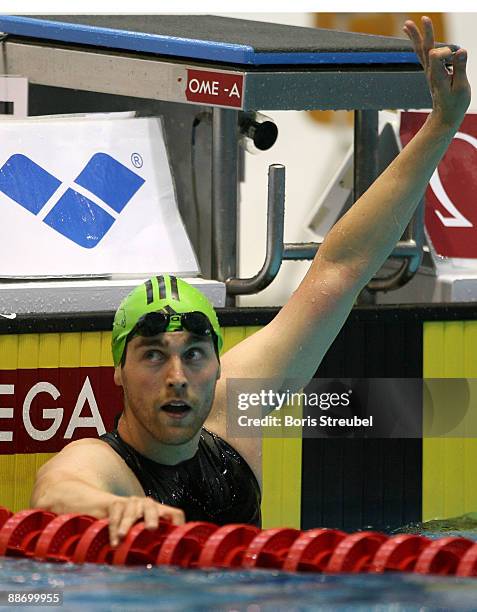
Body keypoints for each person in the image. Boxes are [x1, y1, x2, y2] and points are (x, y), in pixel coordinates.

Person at [30, 17, 471, 547]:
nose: (177, 376)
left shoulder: (230, 413)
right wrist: (114, 508)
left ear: (219, 364)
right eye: (152, 355)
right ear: (118, 371)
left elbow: (341, 267)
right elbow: (56, 490)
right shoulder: (105, 466)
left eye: (195, 354)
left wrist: (441, 125)